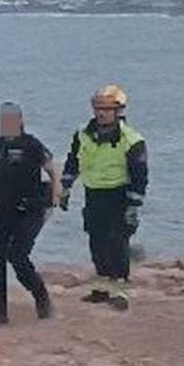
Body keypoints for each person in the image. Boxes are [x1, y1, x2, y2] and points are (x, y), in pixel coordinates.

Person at [60, 85, 148, 311]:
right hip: (94, 194)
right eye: (98, 108)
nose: (101, 113)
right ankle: (101, 289)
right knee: (96, 241)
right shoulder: (83, 134)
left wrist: (133, 205)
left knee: (118, 242)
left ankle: (120, 292)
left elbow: (140, 175)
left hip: (119, 194)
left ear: (118, 111)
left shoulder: (132, 140)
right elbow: (73, 161)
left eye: (107, 109)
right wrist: (65, 187)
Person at [0, 102, 60, 327]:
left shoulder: (32, 145)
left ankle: (40, 295)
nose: (7, 123)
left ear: (20, 120)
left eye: (11, 119)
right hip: (0, 207)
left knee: (17, 255)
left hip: (29, 207)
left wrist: (55, 197)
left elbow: (53, 171)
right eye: (3, 119)